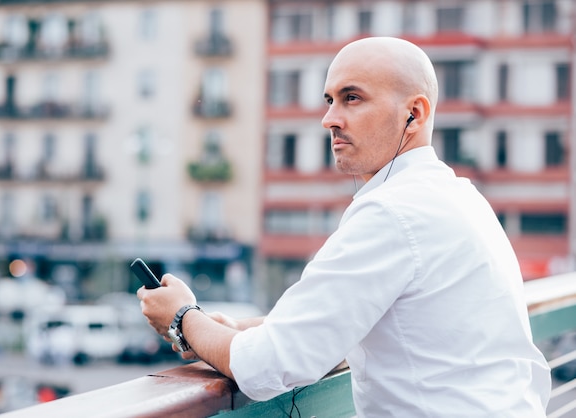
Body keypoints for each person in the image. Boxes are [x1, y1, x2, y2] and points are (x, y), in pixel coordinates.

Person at [138, 36, 551, 417]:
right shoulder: (460, 197)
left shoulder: (392, 213)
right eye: (329, 100)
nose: (329, 119)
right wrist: (237, 328)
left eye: (352, 98)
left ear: (415, 112)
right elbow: (371, 316)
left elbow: (270, 364)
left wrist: (182, 318)